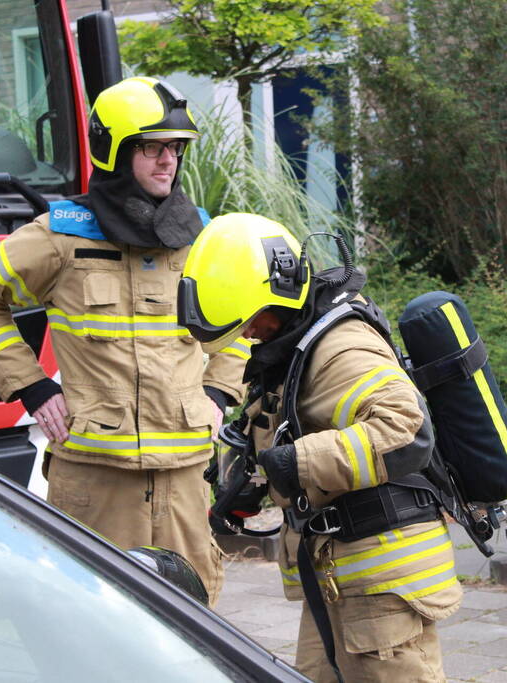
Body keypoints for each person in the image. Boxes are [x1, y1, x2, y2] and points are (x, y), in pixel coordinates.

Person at [0, 77, 248, 606]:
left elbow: (242, 322)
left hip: (184, 478)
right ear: (114, 149)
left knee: (195, 621)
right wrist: (33, 388)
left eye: (175, 149)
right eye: (151, 147)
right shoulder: (61, 236)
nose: (167, 161)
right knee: (93, 616)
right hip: (94, 478)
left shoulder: (200, 237)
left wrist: (221, 392)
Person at [177, 213, 462, 682]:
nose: (248, 334)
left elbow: (407, 433)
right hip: (338, 573)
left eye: (251, 322)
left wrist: (297, 463)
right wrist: (255, 479)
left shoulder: (341, 347)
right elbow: (293, 424)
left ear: (278, 297)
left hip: (383, 582)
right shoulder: (297, 343)